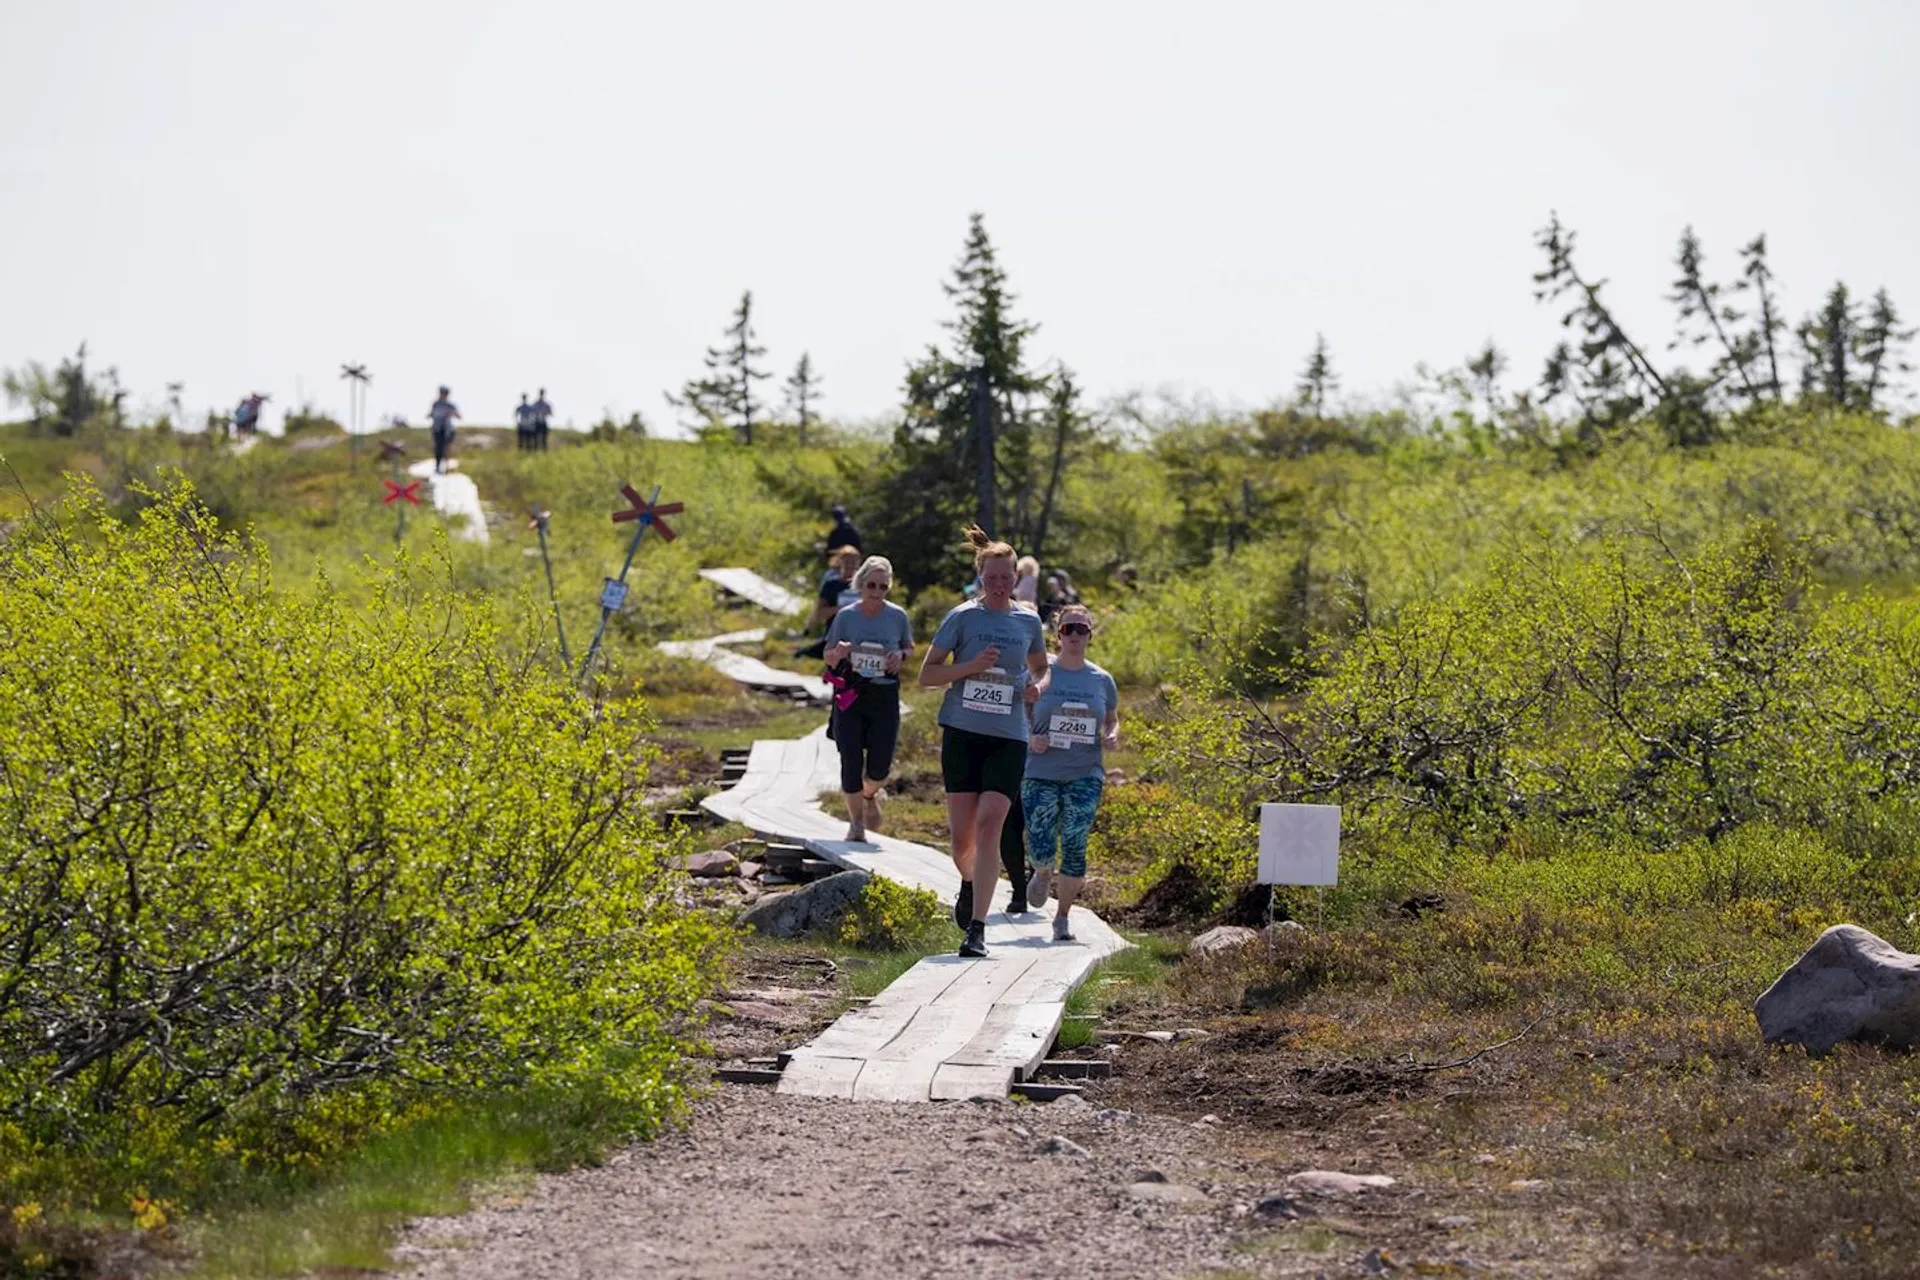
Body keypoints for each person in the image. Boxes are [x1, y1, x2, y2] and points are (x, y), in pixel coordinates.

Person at [918, 525, 1049, 958]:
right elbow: (927, 675)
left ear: (1016, 578)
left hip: (1008, 737)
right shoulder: (963, 617)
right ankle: (969, 880)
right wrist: (969, 666)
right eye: (990, 578)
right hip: (963, 733)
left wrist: (1035, 686)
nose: (998, 585)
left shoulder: (1028, 620)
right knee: (962, 844)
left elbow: (1039, 668)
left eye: (1005, 577)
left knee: (993, 822)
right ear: (980, 577)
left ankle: (977, 928)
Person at [1023, 604, 1120, 943]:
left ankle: (1062, 917)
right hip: (1041, 769)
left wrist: (1112, 733)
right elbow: (1020, 709)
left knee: (1076, 842)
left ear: (1090, 635)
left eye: (1081, 629)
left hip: (1085, 771)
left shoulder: (1101, 679)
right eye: (1068, 629)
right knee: (1040, 839)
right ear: (1057, 634)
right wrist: (1030, 736)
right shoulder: (1041, 670)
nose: (1075, 635)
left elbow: (1111, 717)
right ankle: (1041, 868)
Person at [823, 556, 913, 841]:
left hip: (884, 694)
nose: (876, 591)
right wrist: (838, 653)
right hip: (850, 694)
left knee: (879, 765)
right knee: (849, 759)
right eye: (871, 585)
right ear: (861, 584)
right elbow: (828, 654)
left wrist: (900, 655)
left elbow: (908, 647)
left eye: (883, 586)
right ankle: (856, 824)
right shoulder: (846, 616)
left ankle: (870, 794)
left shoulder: (897, 616)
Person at [796, 546, 862, 660]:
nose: (850, 565)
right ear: (839, 562)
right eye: (846, 561)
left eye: (853, 562)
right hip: (835, 635)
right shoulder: (831, 586)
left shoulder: (866, 586)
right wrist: (842, 608)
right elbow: (820, 613)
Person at [428, 386, 460, 474]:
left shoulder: (451, 405)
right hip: (437, 429)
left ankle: (446, 467)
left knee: (447, 448)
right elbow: (431, 414)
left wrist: (451, 413)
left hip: (448, 429)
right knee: (438, 448)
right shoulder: (435, 404)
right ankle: (438, 466)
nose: (443, 395)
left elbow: (459, 416)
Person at [532, 387, 553, 451]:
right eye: (541, 393)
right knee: (535, 439)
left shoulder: (546, 404)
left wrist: (545, 412)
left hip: (543, 422)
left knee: (544, 439)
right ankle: (535, 452)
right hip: (536, 422)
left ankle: (544, 452)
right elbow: (531, 413)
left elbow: (551, 413)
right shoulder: (535, 403)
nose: (541, 394)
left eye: (542, 393)